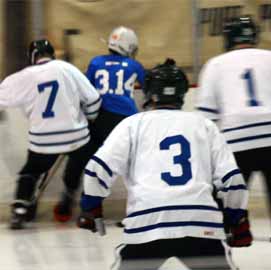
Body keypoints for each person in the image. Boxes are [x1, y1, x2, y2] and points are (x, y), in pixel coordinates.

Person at [77, 59, 252, 270]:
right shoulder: (204, 125)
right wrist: (237, 218)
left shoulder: (132, 124)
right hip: (200, 223)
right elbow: (232, 179)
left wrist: (91, 207)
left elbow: (98, 170)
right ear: (183, 93)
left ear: (149, 92)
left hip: (147, 223)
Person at [195, 15, 271, 269]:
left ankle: (215, 258)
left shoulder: (215, 64)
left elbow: (206, 115)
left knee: (227, 200)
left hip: (237, 139)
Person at [0, 39, 101, 229]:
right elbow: (93, 99)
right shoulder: (67, 68)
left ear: (32, 57)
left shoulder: (25, 76)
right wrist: (90, 117)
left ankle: (20, 209)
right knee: (80, 163)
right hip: (76, 136)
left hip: (43, 140)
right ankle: (71, 197)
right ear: (52, 54)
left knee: (30, 172)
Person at [85, 26, 145, 153]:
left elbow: (86, 90)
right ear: (127, 47)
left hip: (99, 119)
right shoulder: (134, 65)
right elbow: (149, 88)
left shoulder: (96, 62)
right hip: (126, 119)